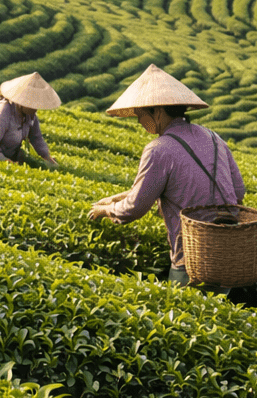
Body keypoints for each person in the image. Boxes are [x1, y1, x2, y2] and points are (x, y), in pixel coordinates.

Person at [88, 64, 245, 286]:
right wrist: (115, 198)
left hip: (192, 257)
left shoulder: (158, 148)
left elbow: (135, 208)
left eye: (141, 114)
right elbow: (238, 192)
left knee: (183, 315)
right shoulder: (214, 138)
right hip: (225, 254)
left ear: (158, 112)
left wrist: (104, 210)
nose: (139, 121)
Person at [0, 72, 60, 167]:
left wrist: (47, 157)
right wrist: (7, 162)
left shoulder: (30, 114)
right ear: (22, 101)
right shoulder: (3, 113)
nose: (35, 109)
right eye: (32, 104)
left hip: (7, 154)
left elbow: (36, 138)